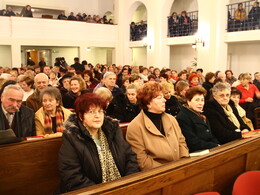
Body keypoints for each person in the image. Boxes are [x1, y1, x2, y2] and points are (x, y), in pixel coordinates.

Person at [58, 93, 139, 192]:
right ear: (81, 116)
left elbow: (130, 157)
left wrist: (128, 183)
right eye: (91, 112)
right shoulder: (72, 136)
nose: (97, 116)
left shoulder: (112, 130)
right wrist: (100, 191)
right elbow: (71, 174)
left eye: (100, 111)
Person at [126, 82, 189, 171]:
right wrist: (169, 171)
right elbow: (142, 160)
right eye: (159, 98)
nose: (164, 100)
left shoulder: (171, 119)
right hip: (157, 174)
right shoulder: (135, 126)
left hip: (179, 167)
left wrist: (183, 162)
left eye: (163, 97)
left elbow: (181, 142)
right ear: (148, 103)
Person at [176, 86, 219, 152]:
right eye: (197, 100)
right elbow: (193, 143)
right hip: (197, 153)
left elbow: (210, 135)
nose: (200, 103)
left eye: (202, 100)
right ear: (188, 101)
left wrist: (217, 145)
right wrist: (215, 146)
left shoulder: (201, 115)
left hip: (209, 149)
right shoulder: (182, 117)